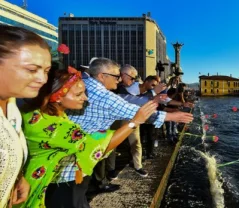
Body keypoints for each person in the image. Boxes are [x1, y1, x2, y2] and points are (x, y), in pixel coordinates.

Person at [20, 66, 158, 208]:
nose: (85, 98)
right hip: (51, 186)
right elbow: (96, 148)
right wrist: (134, 122)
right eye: (79, 94)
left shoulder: (40, 113)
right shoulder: (56, 128)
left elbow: (87, 137)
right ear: (58, 96)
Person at [66, 58, 193, 187]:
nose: (119, 79)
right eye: (116, 76)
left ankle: (117, 172)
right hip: (75, 163)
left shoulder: (83, 82)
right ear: (102, 76)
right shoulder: (105, 95)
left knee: (129, 143)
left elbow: (134, 100)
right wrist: (171, 116)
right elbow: (133, 107)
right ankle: (107, 174)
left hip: (74, 150)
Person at [0, 25, 51, 207]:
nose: (42, 79)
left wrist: (16, 176)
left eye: (46, 71)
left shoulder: (12, 106)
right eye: (31, 70)